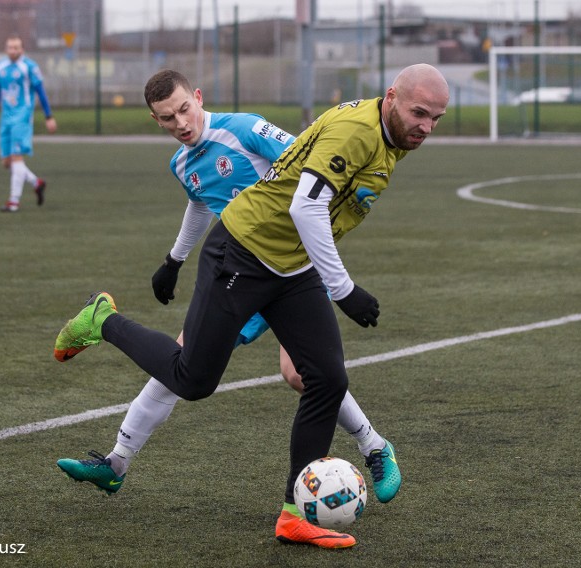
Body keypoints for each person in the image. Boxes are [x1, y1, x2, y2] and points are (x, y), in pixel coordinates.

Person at [54, 64, 449, 549]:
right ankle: (103, 322)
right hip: (243, 255)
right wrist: (341, 287)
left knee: (322, 376)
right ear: (391, 98)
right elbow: (301, 203)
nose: (426, 126)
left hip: (292, 263)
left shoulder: (271, 130)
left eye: (436, 117)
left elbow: (297, 161)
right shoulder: (356, 132)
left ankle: (296, 513)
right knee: (194, 377)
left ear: (197, 98)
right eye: (419, 113)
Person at [0, 35, 57, 212]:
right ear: (6, 49)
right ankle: (36, 182)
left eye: (17, 47)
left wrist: (49, 116)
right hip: (6, 118)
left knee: (17, 158)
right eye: (10, 47)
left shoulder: (30, 67)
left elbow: (41, 91)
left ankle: (13, 201)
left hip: (22, 117)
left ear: (22, 50)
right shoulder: (1, 66)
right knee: (7, 162)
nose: (13, 50)